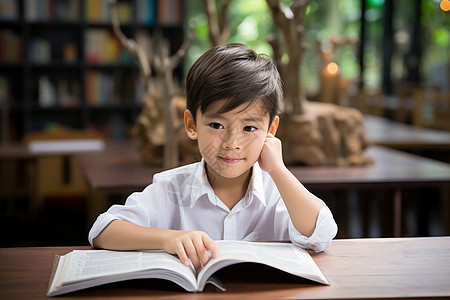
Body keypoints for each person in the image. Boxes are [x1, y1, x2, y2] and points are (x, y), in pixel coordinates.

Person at [89, 43, 338, 271]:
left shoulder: (279, 192)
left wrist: (279, 170)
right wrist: (169, 238)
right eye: (217, 125)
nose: (232, 143)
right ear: (191, 124)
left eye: (249, 128)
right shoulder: (170, 188)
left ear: (270, 131)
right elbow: (103, 230)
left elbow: (321, 235)